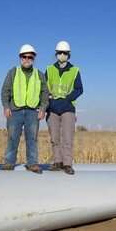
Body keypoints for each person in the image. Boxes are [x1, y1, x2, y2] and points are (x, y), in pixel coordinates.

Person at [1, 44, 49, 174]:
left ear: (34, 58)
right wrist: (6, 106)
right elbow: (5, 91)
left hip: (32, 112)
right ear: (20, 58)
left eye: (30, 57)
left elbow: (45, 93)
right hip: (14, 111)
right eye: (24, 56)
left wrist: (43, 109)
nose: (27, 59)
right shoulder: (13, 72)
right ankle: (9, 162)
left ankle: (32, 163)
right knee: (12, 137)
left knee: (32, 138)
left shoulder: (39, 74)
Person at [46, 41, 83, 175]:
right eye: (60, 53)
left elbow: (79, 89)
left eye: (65, 53)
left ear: (69, 55)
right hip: (52, 108)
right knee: (54, 137)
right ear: (56, 54)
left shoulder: (75, 70)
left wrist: (67, 99)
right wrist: (48, 102)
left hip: (68, 108)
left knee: (67, 138)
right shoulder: (49, 69)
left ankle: (67, 164)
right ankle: (57, 162)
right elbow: (45, 88)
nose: (62, 55)